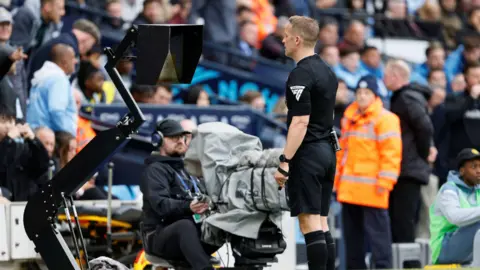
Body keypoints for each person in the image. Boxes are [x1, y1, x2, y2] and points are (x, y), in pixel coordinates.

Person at [273, 16, 338, 270]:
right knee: (322, 223)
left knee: (309, 225)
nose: (283, 39)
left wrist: (284, 162)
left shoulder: (300, 74)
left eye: (286, 35)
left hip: (309, 153)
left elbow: (300, 122)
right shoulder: (327, 70)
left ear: (297, 39)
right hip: (328, 151)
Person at [335, 75, 402, 269]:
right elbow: (342, 151)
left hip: (374, 189)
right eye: (359, 93)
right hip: (349, 189)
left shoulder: (386, 119)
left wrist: (385, 183)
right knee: (352, 239)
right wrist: (336, 181)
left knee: (379, 238)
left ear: (375, 96)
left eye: (367, 93)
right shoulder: (349, 117)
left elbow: (391, 154)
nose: (362, 96)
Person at [140, 119, 219, 270]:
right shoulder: (154, 170)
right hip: (159, 235)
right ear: (158, 140)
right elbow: (161, 205)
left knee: (228, 222)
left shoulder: (189, 168)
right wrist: (188, 206)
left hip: (192, 229)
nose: (180, 141)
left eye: (182, 137)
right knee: (185, 226)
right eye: (173, 137)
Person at [385, 59, 435, 253]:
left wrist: (423, 153)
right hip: (406, 168)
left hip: (408, 170)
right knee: (401, 221)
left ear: (395, 76)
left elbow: (425, 126)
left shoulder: (406, 98)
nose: (384, 79)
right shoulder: (405, 97)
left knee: (403, 222)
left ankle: (409, 265)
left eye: (386, 75)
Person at [430, 148, 480, 265]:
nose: (479, 171)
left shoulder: (477, 190)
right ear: (462, 171)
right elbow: (455, 218)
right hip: (443, 249)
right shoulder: (448, 190)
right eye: (474, 167)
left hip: (466, 248)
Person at [26, 44, 78, 136]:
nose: (76, 61)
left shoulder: (42, 76)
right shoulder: (58, 79)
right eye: (73, 58)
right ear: (64, 62)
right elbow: (56, 111)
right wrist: (69, 133)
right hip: (52, 136)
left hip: (36, 132)